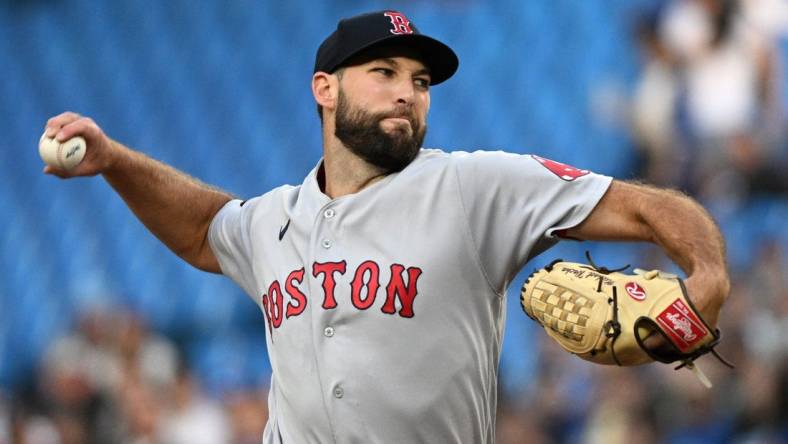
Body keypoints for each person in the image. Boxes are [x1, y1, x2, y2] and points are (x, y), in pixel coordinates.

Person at [41, 10, 730, 443]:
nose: (408, 90)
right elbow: (204, 229)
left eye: (421, 81)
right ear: (325, 88)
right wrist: (114, 160)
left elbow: (647, 207)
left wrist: (708, 278)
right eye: (384, 72)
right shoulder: (274, 220)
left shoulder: (472, 184)